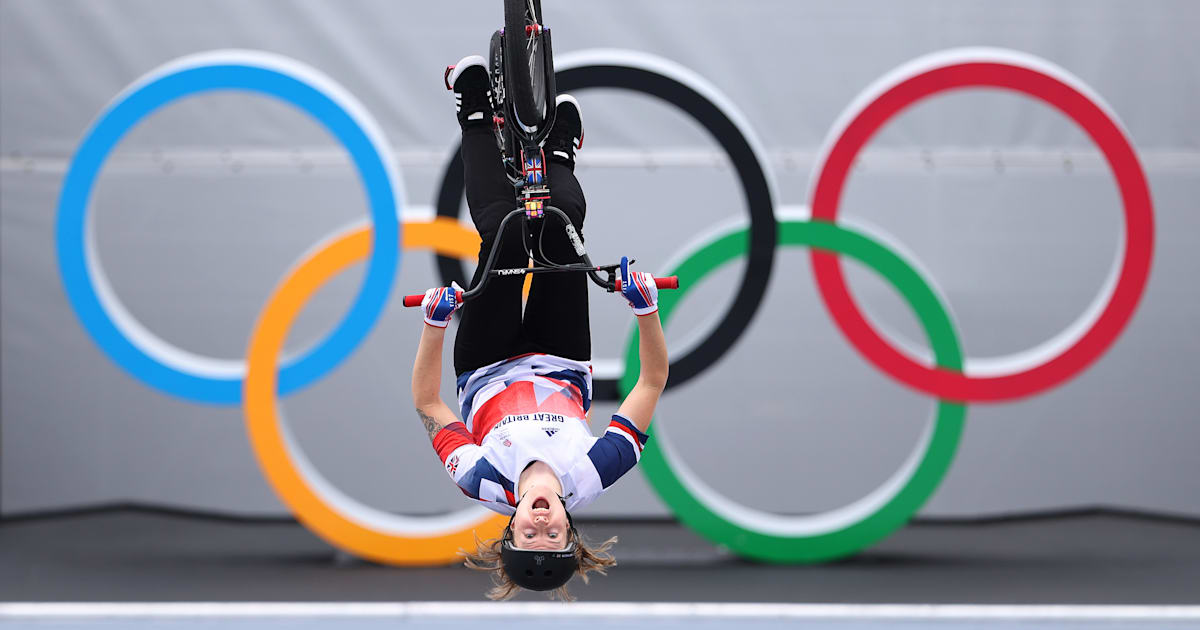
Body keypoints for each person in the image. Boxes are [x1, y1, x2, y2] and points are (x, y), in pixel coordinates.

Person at [410, 55, 669, 601]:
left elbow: (430, 406)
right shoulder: (594, 473)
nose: (542, 524)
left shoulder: (479, 478)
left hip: (486, 363)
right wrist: (646, 310)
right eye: (553, 536)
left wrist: (435, 325)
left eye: (529, 535)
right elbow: (649, 385)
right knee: (561, 227)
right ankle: (558, 156)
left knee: (501, 231)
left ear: (510, 529)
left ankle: (475, 110)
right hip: (561, 355)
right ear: (570, 533)